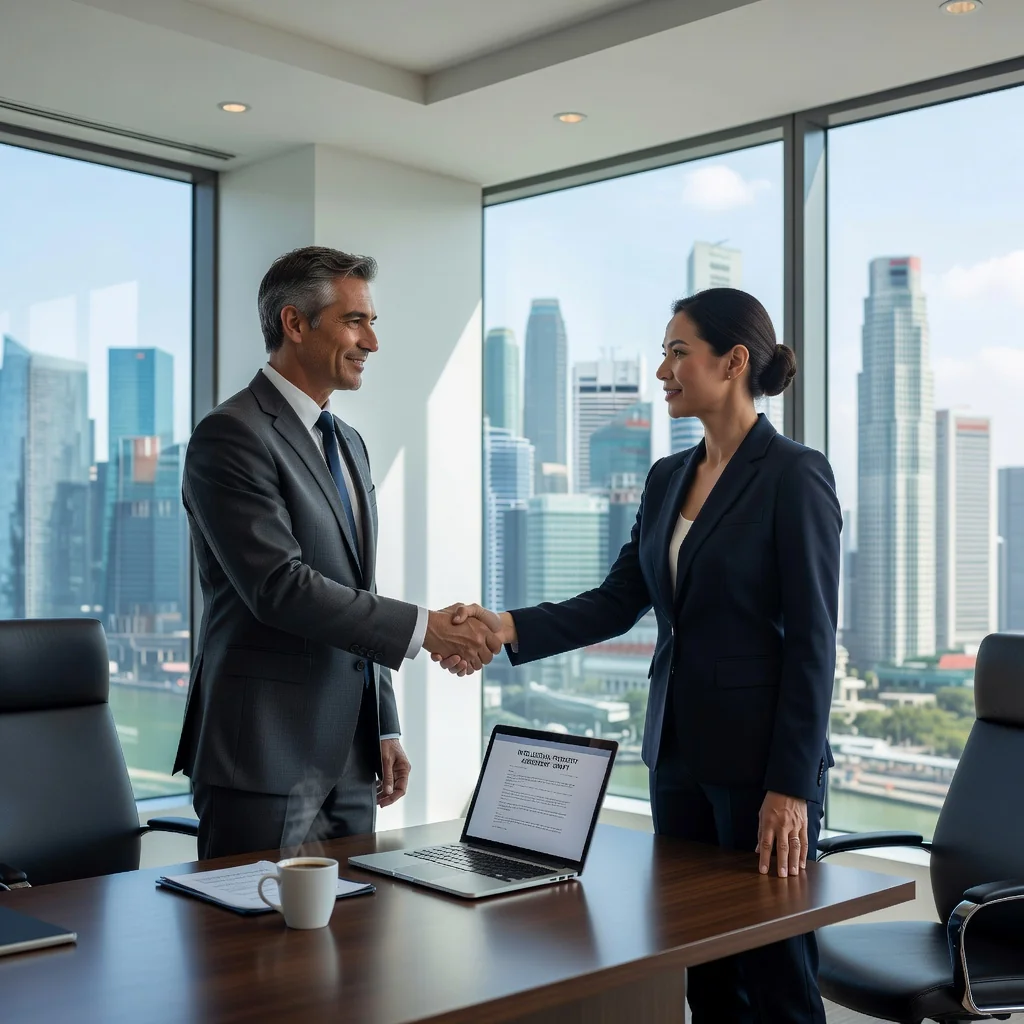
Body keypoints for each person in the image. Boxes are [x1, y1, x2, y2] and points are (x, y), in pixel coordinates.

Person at [441, 289, 841, 1023]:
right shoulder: (666, 480)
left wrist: (791, 787)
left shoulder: (794, 474)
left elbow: (816, 643)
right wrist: (505, 626)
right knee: (705, 971)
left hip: (762, 772)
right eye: (664, 351)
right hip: (678, 758)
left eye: (677, 351)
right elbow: (618, 599)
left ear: (734, 361)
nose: (662, 369)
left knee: (778, 977)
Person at [173, 246, 501, 859]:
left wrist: (384, 722)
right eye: (356, 321)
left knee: (353, 948)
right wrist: (427, 629)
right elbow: (280, 587)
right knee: (247, 947)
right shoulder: (231, 435)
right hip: (263, 757)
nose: (371, 342)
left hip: (353, 759)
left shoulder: (347, 442)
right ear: (295, 324)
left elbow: (357, 588)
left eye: (372, 322)